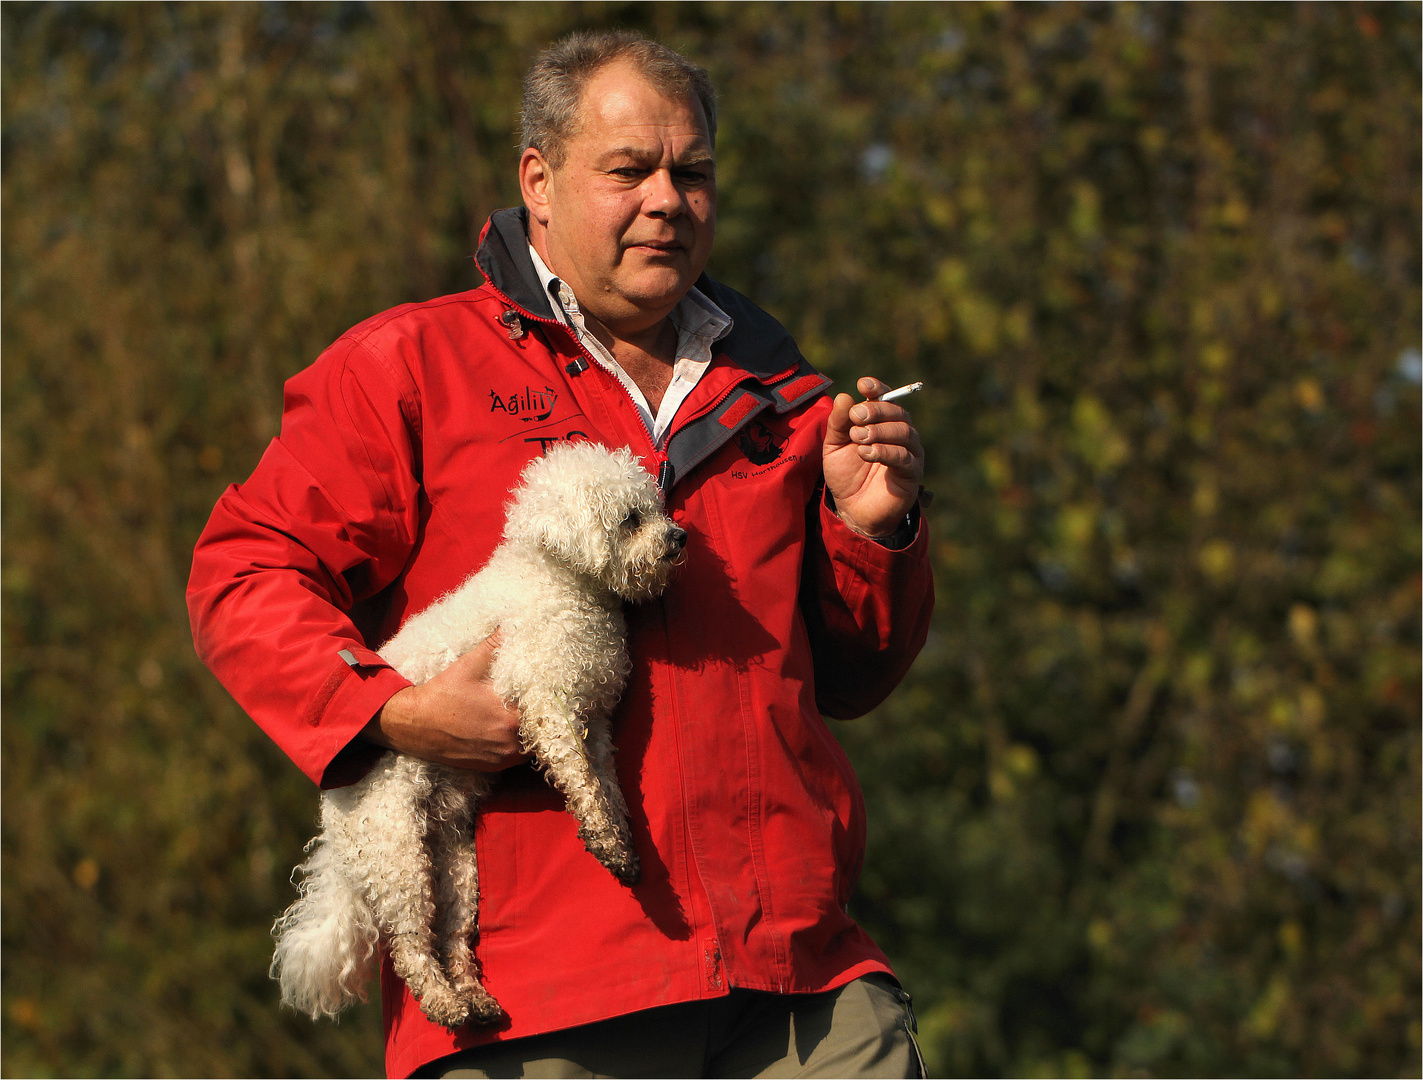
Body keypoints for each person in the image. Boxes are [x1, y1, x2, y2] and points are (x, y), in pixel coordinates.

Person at [188, 30, 933, 1080]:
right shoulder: (412, 364)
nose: (668, 198)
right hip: (539, 1002)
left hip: (803, 981)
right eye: (628, 170)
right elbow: (243, 572)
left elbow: (854, 671)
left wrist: (874, 529)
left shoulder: (787, 396)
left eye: (694, 171)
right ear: (537, 181)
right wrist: (388, 713)